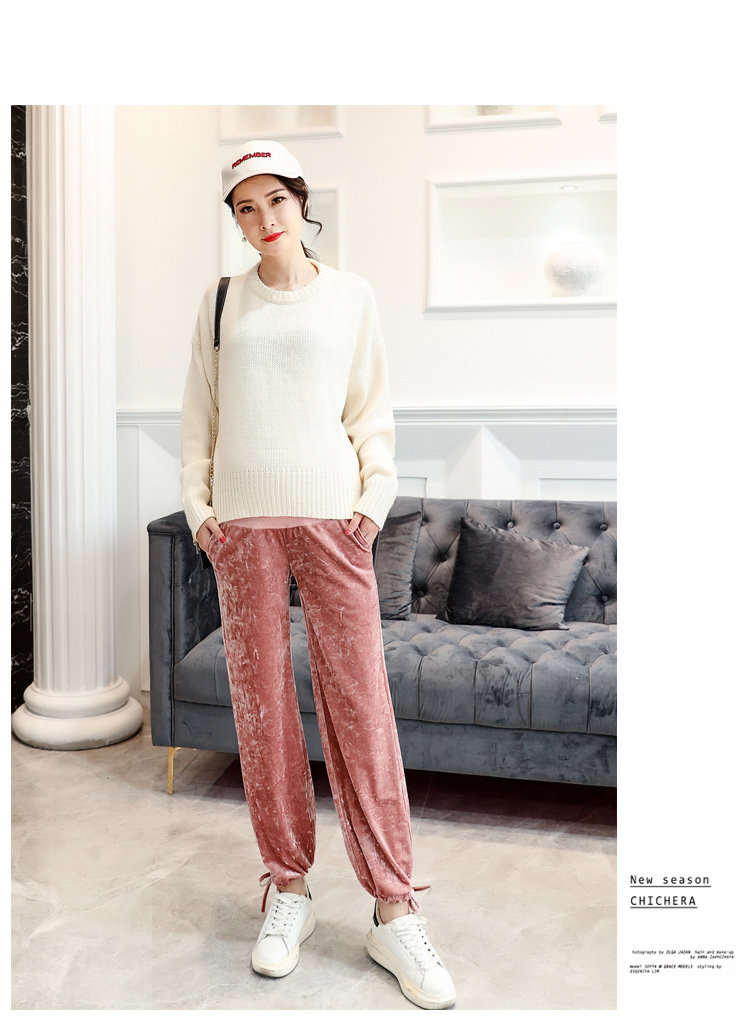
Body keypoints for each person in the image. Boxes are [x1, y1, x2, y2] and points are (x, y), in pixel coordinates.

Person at [180, 140, 456, 1011]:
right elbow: (199, 416)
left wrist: (372, 502)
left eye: (276, 200)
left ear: (302, 202)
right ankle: (288, 887)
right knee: (260, 708)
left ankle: (394, 907)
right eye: (246, 207)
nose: (264, 219)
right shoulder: (219, 302)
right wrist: (201, 510)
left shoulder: (351, 297)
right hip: (243, 527)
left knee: (360, 705)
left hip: (335, 521)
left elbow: (371, 408)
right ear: (235, 221)